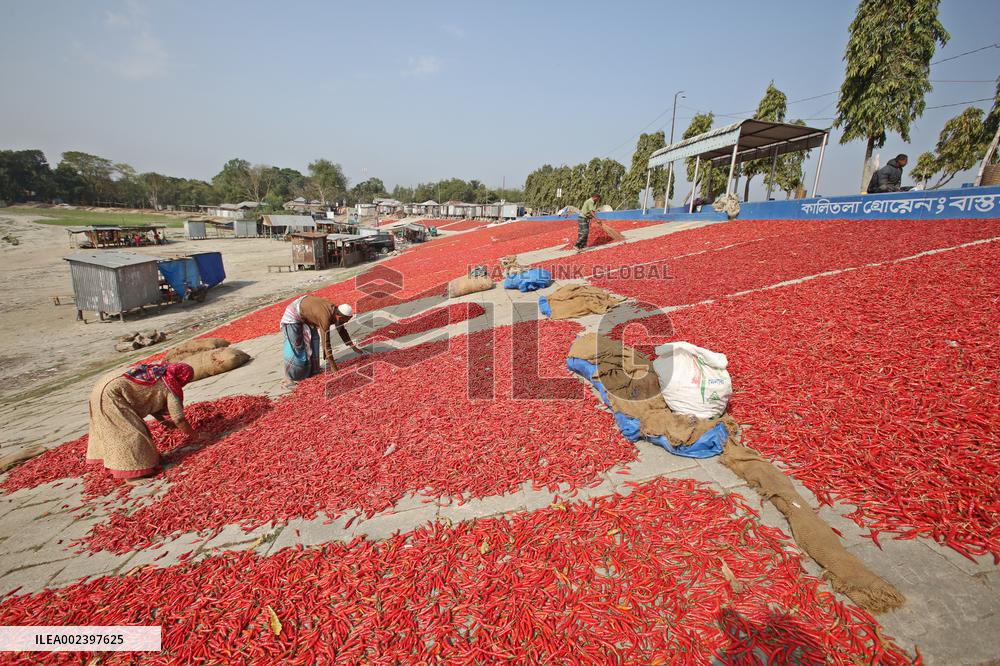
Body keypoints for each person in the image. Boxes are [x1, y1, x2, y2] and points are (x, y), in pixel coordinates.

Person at [86, 362, 200, 482]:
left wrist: (163, 420)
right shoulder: (169, 385)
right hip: (111, 395)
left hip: (101, 387)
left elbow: (148, 397)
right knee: (131, 433)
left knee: (121, 431)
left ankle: (144, 463)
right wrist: (196, 436)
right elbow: (179, 419)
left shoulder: (157, 373)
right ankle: (132, 477)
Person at [280, 295, 364, 381]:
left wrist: (352, 346)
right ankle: (291, 377)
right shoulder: (325, 317)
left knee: (314, 341)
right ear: (340, 317)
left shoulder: (336, 312)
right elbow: (326, 341)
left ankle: (312, 371)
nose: (346, 322)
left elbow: (341, 329)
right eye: (346, 320)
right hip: (293, 313)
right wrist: (333, 366)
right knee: (297, 346)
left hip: (307, 311)